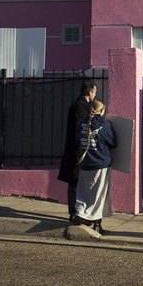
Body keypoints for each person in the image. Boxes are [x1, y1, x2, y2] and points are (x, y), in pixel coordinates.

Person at [73, 99, 118, 235]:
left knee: (83, 192)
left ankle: (80, 214)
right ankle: (97, 224)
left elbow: (76, 141)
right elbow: (113, 143)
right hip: (100, 164)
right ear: (102, 111)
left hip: (85, 163)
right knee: (100, 195)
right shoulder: (104, 125)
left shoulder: (81, 124)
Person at [57, 81, 96, 222]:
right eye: (94, 92)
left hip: (79, 151)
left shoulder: (82, 105)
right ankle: (74, 213)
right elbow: (80, 129)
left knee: (78, 182)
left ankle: (78, 212)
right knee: (75, 182)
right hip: (76, 151)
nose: (95, 95)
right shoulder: (80, 107)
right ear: (90, 93)